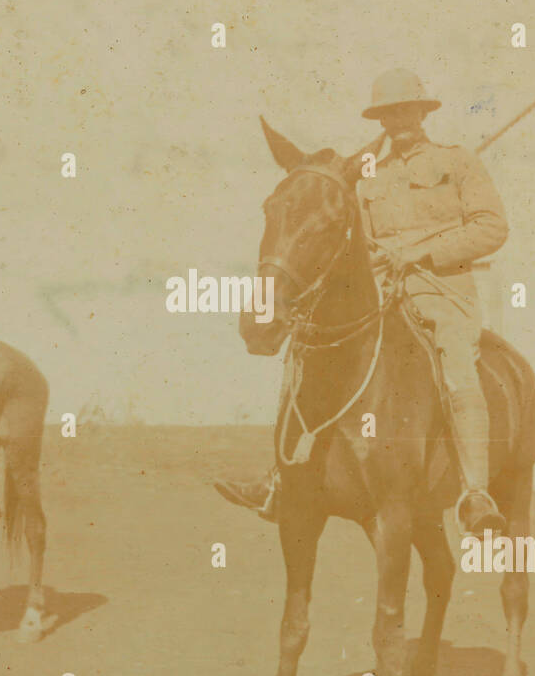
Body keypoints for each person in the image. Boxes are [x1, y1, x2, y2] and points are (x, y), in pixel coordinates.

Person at [215, 69, 510, 534]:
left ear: (423, 111)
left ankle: (475, 493)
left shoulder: (458, 163)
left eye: (406, 109)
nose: (399, 119)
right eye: (388, 112)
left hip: (441, 292)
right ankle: (280, 478)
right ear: (381, 119)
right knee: (306, 349)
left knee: (457, 361)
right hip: (380, 292)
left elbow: (491, 228)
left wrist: (419, 252)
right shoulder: (367, 174)